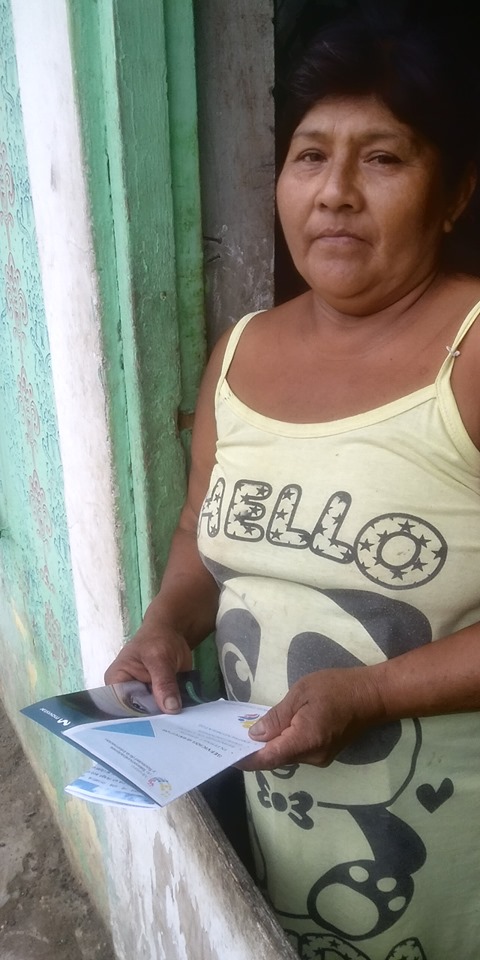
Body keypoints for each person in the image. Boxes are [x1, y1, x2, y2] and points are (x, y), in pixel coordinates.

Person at [105, 12, 480, 960]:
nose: (336, 192)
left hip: (456, 862)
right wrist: (166, 624)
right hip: (283, 845)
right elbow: (199, 535)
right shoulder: (241, 353)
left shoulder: (470, 353)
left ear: (454, 193)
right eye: (310, 155)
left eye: (383, 158)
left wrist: (374, 694)